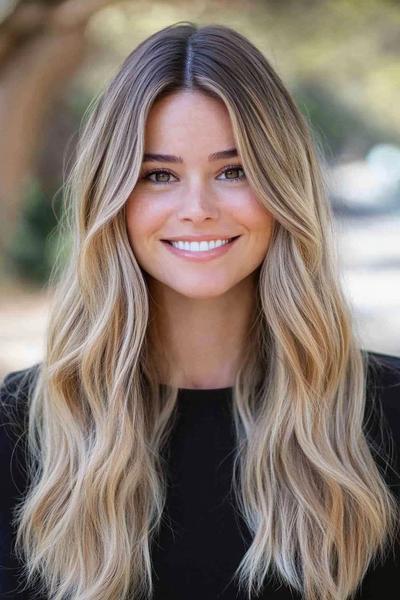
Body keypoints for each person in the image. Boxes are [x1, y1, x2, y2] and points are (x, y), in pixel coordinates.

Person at [1, 20, 399, 600]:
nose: (197, 208)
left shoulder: (384, 413)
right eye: (158, 175)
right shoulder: (20, 428)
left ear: (284, 188)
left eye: (233, 171)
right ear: (112, 198)